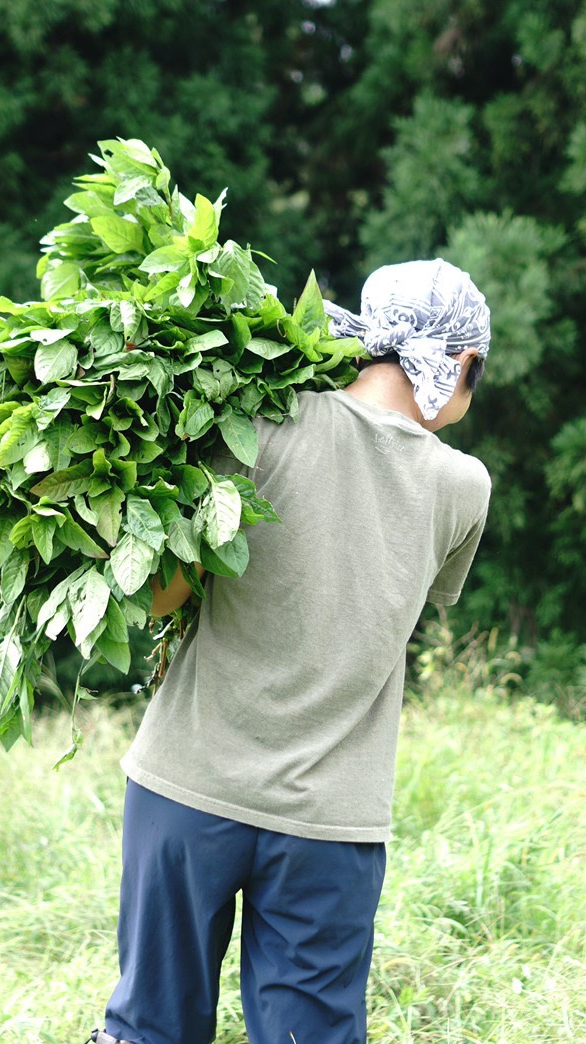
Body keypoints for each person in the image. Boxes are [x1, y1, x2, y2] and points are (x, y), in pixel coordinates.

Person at [90, 259, 493, 1044]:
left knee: (149, 1030)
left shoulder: (257, 425)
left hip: (186, 788)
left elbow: (162, 596)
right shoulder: (462, 487)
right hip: (329, 821)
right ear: (462, 364)